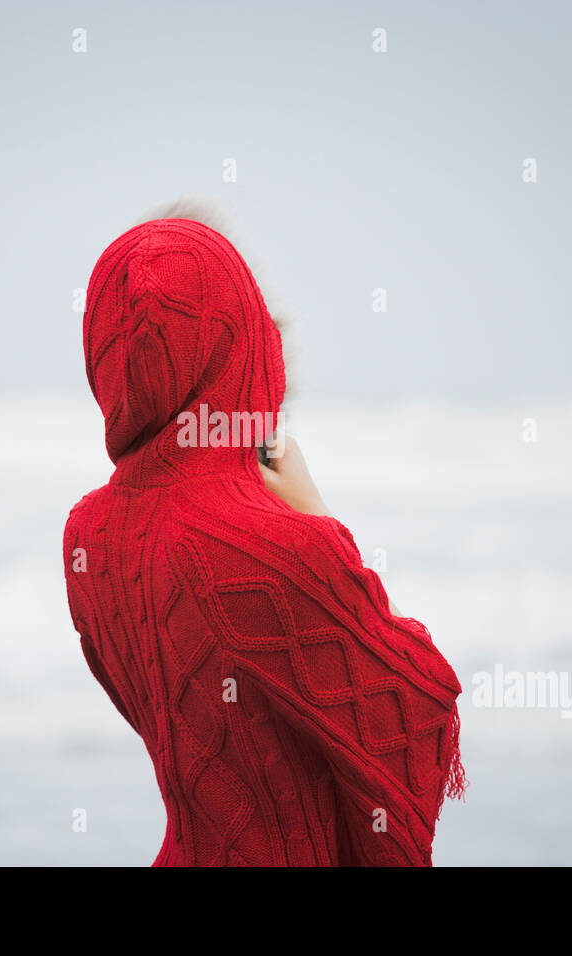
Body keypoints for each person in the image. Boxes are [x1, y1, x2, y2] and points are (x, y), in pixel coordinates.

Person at [63, 202, 464, 866]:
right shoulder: (276, 545)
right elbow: (418, 706)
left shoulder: (89, 538)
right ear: (244, 342)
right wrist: (315, 517)